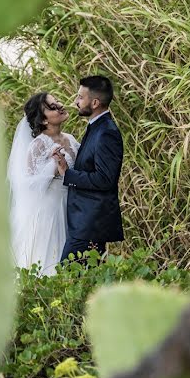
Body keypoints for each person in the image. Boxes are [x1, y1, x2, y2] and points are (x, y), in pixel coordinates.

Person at [52, 75, 124, 261]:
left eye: (80, 97)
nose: (75, 102)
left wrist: (68, 174)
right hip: (84, 223)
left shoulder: (107, 132)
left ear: (94, 103)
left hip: (90, 226)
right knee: (80, 283)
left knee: (67, 279)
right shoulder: (96, 127)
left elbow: (105, 179)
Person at [7, 92, 79, 275]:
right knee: (51, 262)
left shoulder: (71, 139)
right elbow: (28, 186)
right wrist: (53, 166)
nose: (60, 106)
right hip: (50, 212)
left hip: (71, 206)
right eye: (53, 106)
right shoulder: (38, 145)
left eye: (58, 102)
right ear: (44, 120)